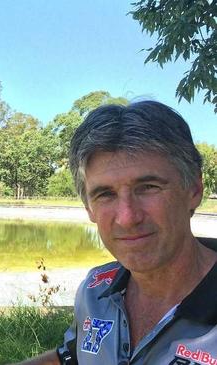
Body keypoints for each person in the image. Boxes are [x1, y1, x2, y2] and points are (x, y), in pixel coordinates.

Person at [16, 100, 217, 365]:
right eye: (105, 194)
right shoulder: (95, 289)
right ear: (89, 208)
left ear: (193, 189)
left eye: (148, 187)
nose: (127, 218)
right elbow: (74, 358)